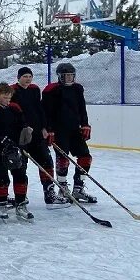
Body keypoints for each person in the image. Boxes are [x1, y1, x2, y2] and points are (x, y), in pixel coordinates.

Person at [42, 62, 97, 203]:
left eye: (71, 76)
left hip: (74, 129)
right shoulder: (51, 90)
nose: (69, 78)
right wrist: (49, 130)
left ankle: (78, 189)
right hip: (59, 131)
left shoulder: (78, 89)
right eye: (66, 76)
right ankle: (63, 187)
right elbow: (46, 112)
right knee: (63, 159)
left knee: (85, 157)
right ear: (60, 76)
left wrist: (85, 124)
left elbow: (82, 108)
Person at [0, 82, 34, 221]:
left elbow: (22, 123)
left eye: (9, 96)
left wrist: (26, 131)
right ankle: (2, 205)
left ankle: (21, 204)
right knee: (2, 178)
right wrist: (2, 139)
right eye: (4, 96)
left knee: (21, 175)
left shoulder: (14, 108)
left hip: (15, 149)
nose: (7, 99)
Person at [10, 68, 61, 206]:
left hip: (37, 134)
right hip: (21, 135)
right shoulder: (12, 90)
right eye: (25, 76)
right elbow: (13, 113)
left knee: (46, 162)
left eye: (30, 76)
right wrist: (22, 127)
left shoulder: (34, 89)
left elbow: (40, 109)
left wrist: (45, 127)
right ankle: (21, 197)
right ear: (18, 77)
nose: (28, 79)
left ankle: (49, 193)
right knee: (21, 167)